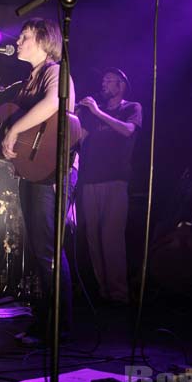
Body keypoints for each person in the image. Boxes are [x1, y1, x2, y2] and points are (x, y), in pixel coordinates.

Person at [0, 18, 77, 346]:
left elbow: (54, 104)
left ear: (43, 40)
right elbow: (8, 134)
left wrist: (18, 129)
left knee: (48, 250)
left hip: (54, 169)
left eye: (24, 36)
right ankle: (46, 321)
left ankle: (60, 328)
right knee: (39, 250)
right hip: (31, 170)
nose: (18, 41)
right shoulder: (26, 82)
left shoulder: (55, 70)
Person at [77, 68, 142, 305]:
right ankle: (103, 292)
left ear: (121, 85)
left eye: (109, 82)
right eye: (103, 81)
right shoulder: (95, 113)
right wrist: (71, 116)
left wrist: (96, 111)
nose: (103, 85)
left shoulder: (131, 108)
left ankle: (119, 294)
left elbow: (127, 131)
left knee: (111, 238)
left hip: (115, 180)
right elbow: (78, 139)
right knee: (93, 238)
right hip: (90, 180)